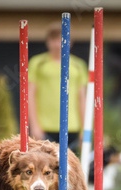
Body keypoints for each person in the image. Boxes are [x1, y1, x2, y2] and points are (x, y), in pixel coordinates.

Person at [28, 22, 88, 153]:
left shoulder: (78, 65)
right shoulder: (37, 63)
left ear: (70, 42)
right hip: (44, 127)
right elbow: (30, 95)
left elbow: (82, 99)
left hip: (72, 127)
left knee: (70, 169)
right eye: (54, 39)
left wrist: (85, 129)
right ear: (48, 42)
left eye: (62, 40)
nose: (57, 44)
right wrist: (35, 126)